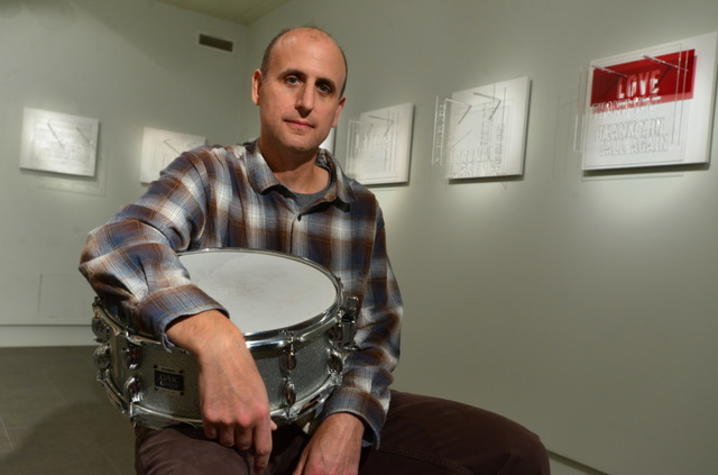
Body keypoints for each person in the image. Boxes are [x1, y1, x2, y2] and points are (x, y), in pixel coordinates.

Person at [80, 26, 550, 475]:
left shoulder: (361, 208)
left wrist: (348, 419)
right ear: (259, 86)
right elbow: (116, 242)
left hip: (321, 407)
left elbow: (378, 330)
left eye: (324, 89)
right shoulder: (209, 173)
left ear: (338, 108)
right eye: (292, 80)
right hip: (202, 419)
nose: (306, 102)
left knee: (513, 454)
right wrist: (214, 335)